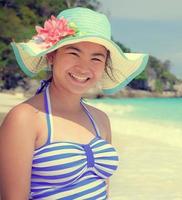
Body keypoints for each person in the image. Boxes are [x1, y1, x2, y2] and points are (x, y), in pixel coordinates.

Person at [0, 7, 148, 199]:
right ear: (52, 55)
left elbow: (103, 191)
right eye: (73, 53)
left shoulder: (101, 120)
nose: (84, 67)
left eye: (96, 58)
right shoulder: (26, 118)